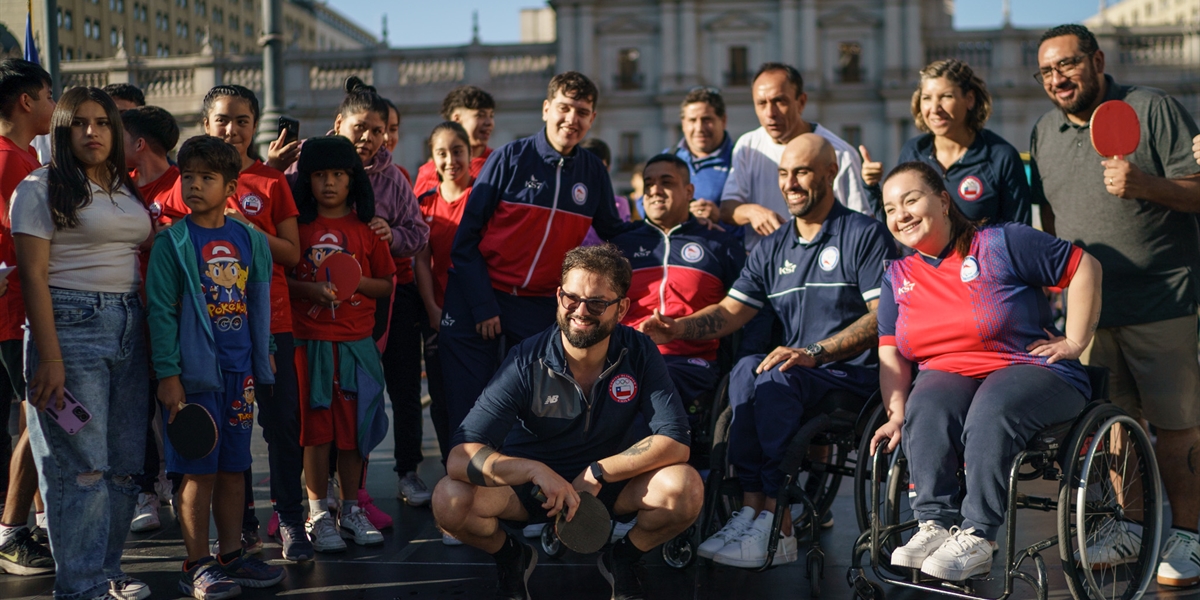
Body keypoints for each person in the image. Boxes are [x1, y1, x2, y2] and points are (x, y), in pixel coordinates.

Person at [642, 134, 896, 568]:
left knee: (777, 373)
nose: (790, 183)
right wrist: (674, 328)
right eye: (783, 173)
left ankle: (779, 526)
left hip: (849, 377)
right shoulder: (775, 244)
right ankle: (751, 509)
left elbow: (880, 319)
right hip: (798, 371)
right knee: (744, 370)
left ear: (831, 173)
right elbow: (730, 312)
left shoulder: (864, 234)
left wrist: (815, 351)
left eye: (801, 172)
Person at [1028, 23, 1200, 587]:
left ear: (1098, 60)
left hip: (1164, 299)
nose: (1058, 79)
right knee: (1118, 428)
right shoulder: (1044, 132)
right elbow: (1051, 221)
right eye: (1048, 71)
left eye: (1068, 65)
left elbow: (1197, 189)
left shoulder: (1152, 109)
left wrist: (1145, 185)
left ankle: (1191, 538)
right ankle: (1131, 526)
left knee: (1178, 430)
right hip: (1094, 315)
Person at [870, 161, 1101, 581]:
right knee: (926, 405)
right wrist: (896, 414)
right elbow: (892, 353)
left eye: (910, 200)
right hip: (950, 376)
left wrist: (1074, 341)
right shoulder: (898, 275)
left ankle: (977, 534)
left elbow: (1085, 266)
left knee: (992, 407)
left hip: (1028, 366)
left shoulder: (1000, 242)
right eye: (889, 208)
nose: (900, 214)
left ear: (943, 200)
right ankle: (934, 525)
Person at [432, 244, 702, 600]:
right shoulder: (526, 360)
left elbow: (676, 441)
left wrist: (597, 472)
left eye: (597, 303)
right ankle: (512, 557)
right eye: (570, 298)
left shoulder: (638, 351)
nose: (580, 311)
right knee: (448, 499)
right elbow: (459, 457)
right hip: (532, 494)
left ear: (622, 308)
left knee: (686, 488)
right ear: (558, 296)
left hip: (607, 487)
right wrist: (533, 471)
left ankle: (623, 558)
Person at [10, 86, 152, 600]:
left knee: (122, 465)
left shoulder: (122, 187)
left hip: (130, 325)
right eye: (80, 122)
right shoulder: (38, 187)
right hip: (69, 327)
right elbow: (33, 275)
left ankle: (104, 572)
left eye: (103, 122)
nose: (92, 132)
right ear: (62, 129)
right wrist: (48, 357)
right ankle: (81, 583)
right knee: (82, 467)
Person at [438, 71, 636, 439]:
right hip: (478, 295)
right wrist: (483, 306)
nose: (571, 120)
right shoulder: (509, 158)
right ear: (546, 109)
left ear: (592, 118)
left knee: (531, 406)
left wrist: (669, 225)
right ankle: (459, 490)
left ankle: (517, 488)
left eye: (582, 111)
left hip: (536, 306)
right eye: (563, 108)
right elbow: (465, 241)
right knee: (465, 405)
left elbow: (615, 232)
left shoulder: (592, 171)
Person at [163, 84, 314, 561]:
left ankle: (267, 534)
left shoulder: (268, 190)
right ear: (206, 124)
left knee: (261, 444)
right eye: (222, 120)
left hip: (256, 348)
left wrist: (243, 228)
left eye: (242, 120)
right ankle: (218, 549)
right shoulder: (178, 213)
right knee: (208, 459)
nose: (232, 129)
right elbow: (166, 285)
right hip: (200, 356)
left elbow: (281, 266)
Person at [147, 135, 285, 599]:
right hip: (193, 378)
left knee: (233, 468)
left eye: (207, 177)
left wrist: (261, 358)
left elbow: (259, 302)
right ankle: (197, 563)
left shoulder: (250, 239)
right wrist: (168, 375)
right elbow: (161, 312)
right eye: (187, 176)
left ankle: (231, 557)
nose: (194, 185)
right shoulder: (173, 242)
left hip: (239, 375)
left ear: (230, 186)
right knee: (197, 471)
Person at [287, 136, 395, 553]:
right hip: (310, 344)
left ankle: (351, 508)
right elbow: (283, 279)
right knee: (316, 432)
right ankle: (317, 513)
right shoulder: (297, 228)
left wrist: (351, 281)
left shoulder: (368, 230)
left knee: (354, 433)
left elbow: (385, 283)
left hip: (356, 345)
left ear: (353, 180)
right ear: (307, 180)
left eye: (338, 174)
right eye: (319, 175)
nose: (329, 183)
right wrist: (311, 289)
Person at [612, 153, 744, 422]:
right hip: (622, 358)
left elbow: (749, 310)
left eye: (666, 182)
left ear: (689, 191)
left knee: (651, 380)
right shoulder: (618, 246)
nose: (655, 190)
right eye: (648, 183)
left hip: (690, 363)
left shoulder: (720, 244)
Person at [719, 62, 871, 251]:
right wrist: (752, 212)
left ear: (801, 102)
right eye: (761, 103)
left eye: (779, 101)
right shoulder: (747, 145)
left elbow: (861, 222)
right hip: (763, 268)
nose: (770, 113)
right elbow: (726, 209)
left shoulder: (840, 153)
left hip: (822, 267)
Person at [859, 59, 1030, 224]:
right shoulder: (913, 152)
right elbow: (899, 226)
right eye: (927, 98)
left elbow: (1020, 234)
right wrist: (871, 186)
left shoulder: (1001, 156)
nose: (934, 109)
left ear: (969, 99)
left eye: (946, 97)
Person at [0, 58, 54, 578]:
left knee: (31, 419)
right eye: (50, 96)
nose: (54, 107)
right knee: (36, 422)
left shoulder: (17, 156)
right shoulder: (12, 161)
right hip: (15, 314)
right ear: (26, 102)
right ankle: (14, 532)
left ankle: (23, 526)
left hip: (16, 311)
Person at [121, 105, 180, 534]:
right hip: (128, 317)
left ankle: (179, 484)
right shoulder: (117, 189)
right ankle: (146, 490)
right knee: (136, 409)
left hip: (173, 321)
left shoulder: (181, 186)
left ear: (138, 144)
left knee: (176, 406)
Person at [379, 96, 433, 507]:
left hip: (398, 293)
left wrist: (390, 235)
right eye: (384, 128)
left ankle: (408, 469)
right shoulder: (321, 170)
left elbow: (416, 238)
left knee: (404, 391)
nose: (387, 136)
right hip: (341, 300)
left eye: (393, 129)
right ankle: (341, 485)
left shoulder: (396, 176)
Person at [413, 122, 474, 469]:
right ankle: (452, 464)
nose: (451, 159)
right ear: (433, 159)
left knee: (479, 393)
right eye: (442, 153)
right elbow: (422, 261)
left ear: (469, 153)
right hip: (438, 313)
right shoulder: (426, 204)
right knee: (441, 397)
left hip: (477, 314)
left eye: (457, 151)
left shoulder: (483, 198)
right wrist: (432, 308)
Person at [412, 85, 496, 196]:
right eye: (480, 115)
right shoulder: (430, 172)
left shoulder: (498, 164)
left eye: (491, 116)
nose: (489, 122)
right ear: (457, 119)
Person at [672, 86, 733, 222]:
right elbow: (644, 201)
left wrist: (720, 217)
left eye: (707, 120)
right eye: (692, 120)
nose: (699, 128)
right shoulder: (670, 157)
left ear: (723, 121)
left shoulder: (739, 160)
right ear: (683, 124)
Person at [579, 138, 632, 246]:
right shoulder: (567, 202)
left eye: (599, 168)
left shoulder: (619, 204)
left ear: (608, 168)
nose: (593, 173)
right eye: (587, 168)